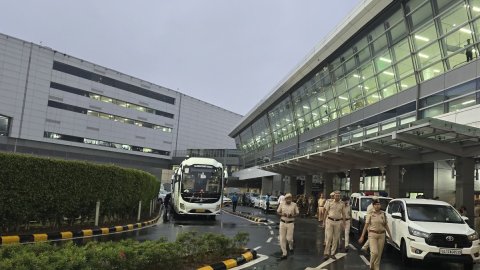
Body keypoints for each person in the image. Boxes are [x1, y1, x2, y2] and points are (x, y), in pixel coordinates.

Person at [358, 198, 392, 270]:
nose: (377, 206)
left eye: (378, 204)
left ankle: (376, 268)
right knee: (374, 252)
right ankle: (371, 265)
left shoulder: (383, 214)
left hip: (382, 235)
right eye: (376, 204)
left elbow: (386, 225)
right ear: (373, 206)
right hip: (372, 234)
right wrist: (362, 236)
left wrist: (390, 235)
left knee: (379, 255)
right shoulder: (370, 214)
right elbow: (366, 225)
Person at [323, 191, 346, 261]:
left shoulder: (342, 204)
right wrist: (323, 221)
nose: (337, 197)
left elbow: (344, 214)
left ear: (340, 196)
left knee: (336, 238)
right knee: (329, 237)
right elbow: (326, 212)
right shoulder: (330, 202)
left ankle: (332, 253)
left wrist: (344, 224)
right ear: (334, 196)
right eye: (336, 196)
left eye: (338, 196)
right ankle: (326, 253)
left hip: (338, 222)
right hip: (330, 221)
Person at [277, 193, 299, 260]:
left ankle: (291, 246)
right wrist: (282, 214)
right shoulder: (282, 204)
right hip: (282, 222)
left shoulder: (294, 204)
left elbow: (297, 213)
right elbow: (278, 212)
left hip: (290, 223)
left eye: (290, 198)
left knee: (289, 239)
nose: (289, 200)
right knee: (282, 238)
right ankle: (284, 253)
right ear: (285, 199)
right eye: (287, 199)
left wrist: (292, 215)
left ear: (291, 199)